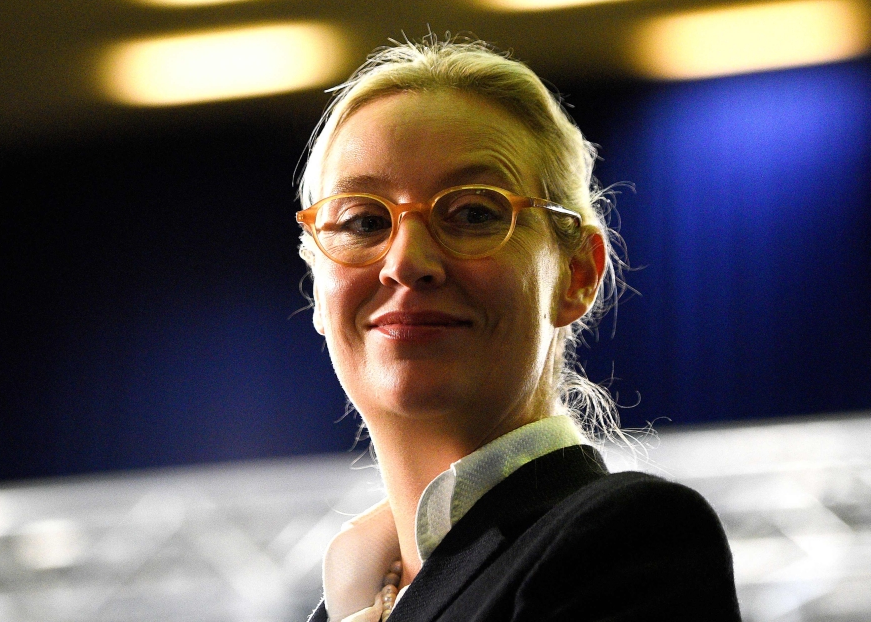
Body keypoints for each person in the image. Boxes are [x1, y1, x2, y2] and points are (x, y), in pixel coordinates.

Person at [294, 37, 740, 622]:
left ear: (576, 274)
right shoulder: (351, 598)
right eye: (363, 220)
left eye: (475, 213)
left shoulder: (626, 541)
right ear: (319, 295)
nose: (404, 262)